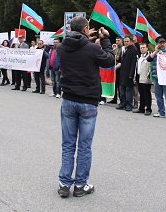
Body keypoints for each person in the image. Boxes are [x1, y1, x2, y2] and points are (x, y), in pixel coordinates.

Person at [56, 17, 115, 198]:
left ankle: (65, 184)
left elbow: (77, 47)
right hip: (88, 102)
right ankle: (81, 185)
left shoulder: (61, 48)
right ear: (86, 29)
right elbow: (110, 60)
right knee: (84, 146)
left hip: (68, 100)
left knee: (68, 144)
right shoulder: (92, 48)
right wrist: (104, 39)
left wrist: (89, 40)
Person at [147, 36, 166, 120]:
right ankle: (161, 112)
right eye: (160, 43)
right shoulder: (156, 52)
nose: (162, 44)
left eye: (163, 43)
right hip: (157, 77)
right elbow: (149, 59)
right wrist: (156, 51)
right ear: (157, 44)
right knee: (158, 96)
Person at [116, 35, 137, 112]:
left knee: (128, 90)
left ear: (131, 41)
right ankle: (122, 103)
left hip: (129, 73)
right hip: (122, 72)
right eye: (125, 41)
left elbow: (133, 63)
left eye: (127, 41)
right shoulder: (125, 49)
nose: (126, 43)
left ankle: (129, 105)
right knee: (122, 89)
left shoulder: (134, 50)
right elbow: (122, 61)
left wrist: (131, 75)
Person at [135, 42, 153, 115]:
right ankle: (141, 108)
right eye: (141, 48)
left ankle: (148, 109)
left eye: (143, 47)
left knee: (147, 93)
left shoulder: (149, 56)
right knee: (141, 93)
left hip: (146, 76)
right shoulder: (139, 56)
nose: (142, 49)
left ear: (147, 48)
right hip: (139, 76)